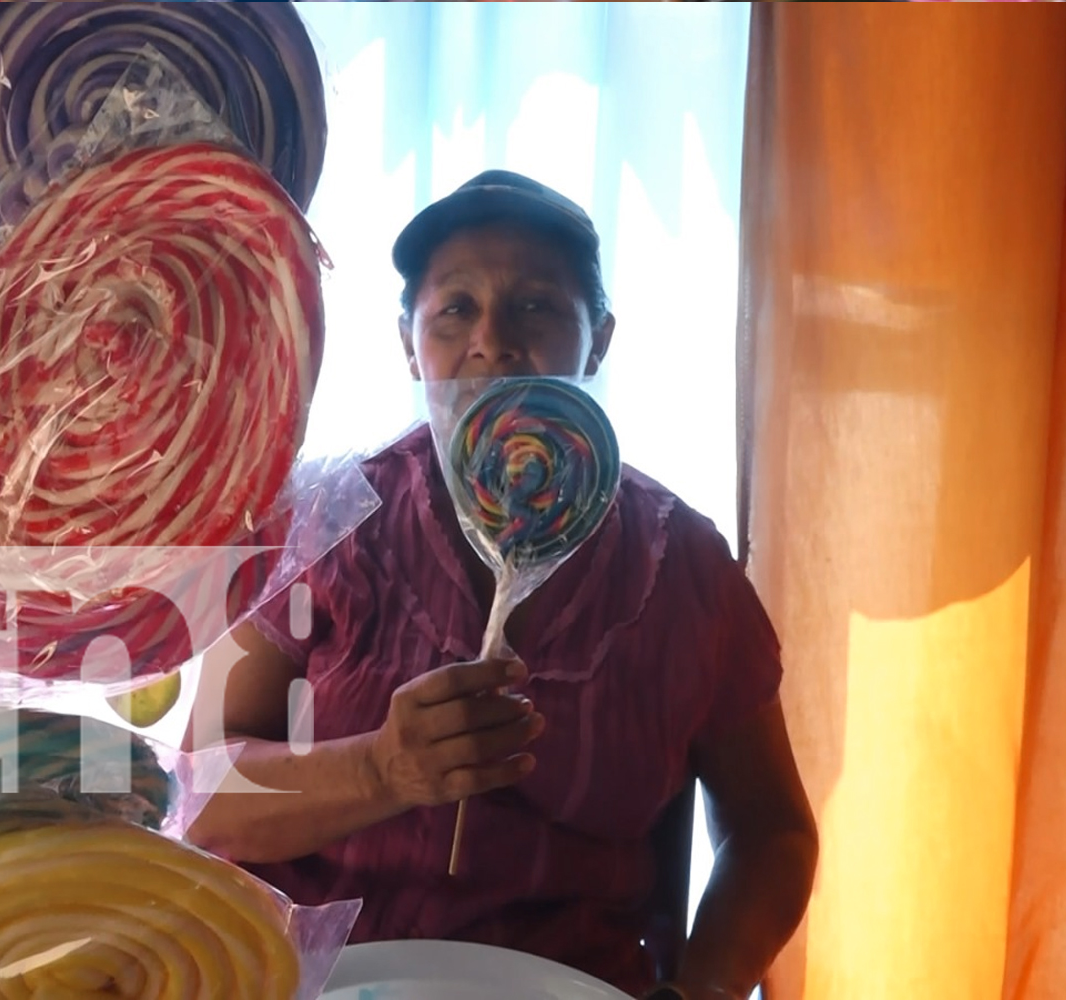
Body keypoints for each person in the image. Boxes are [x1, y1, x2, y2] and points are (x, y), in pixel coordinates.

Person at [183, 171, 818, 1000]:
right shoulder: (320, 521)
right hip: (312, 979)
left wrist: (707, 985)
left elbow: (772, 830)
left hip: (567, 983)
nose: (492, 340)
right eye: (456, 309)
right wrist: (379, 770)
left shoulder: (685, 566)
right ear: (409, 343)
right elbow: (201, 794)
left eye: (536, 307)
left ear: (598, 342)